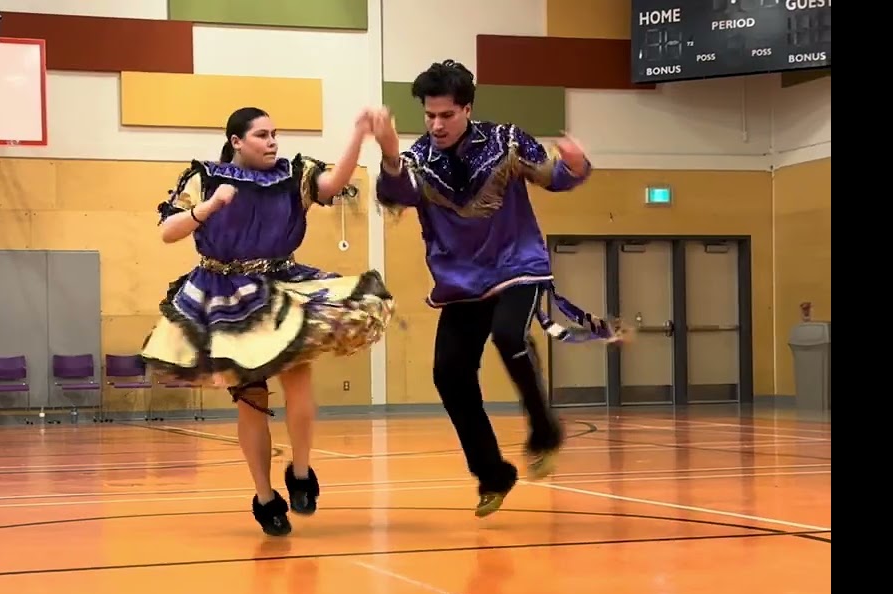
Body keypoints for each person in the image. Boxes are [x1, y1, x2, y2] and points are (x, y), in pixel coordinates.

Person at [368, 61, 626, 518]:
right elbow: (396, 193)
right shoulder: (419, 160)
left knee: (509, 336)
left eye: (446, 115)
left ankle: (545, 430)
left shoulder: (506, 140)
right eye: (429, 116)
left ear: (467, 108)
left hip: (517, 265)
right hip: (461, 282)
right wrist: (390, 154)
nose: (436, 124)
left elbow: (554, 176)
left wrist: (576, 163)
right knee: (449, 374)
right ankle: (492, 473)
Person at [140, 106, 396, 537]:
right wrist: (209, 206)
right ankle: (264, 497)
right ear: (237, 141)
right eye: (262, 135)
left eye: (275, 133)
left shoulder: (292, 175)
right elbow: (168, 231)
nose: (272, 141)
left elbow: (333, 185)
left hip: (282, 285)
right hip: (225, 297)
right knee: (251, 403)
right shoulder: (205, 177)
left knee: (299, 386)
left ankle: (300, 472)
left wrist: (358, 136)